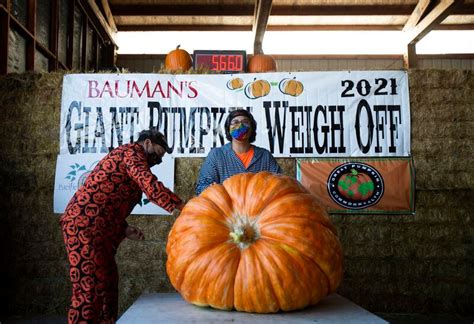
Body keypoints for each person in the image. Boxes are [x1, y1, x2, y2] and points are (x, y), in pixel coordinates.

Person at [60, 129, 184, 323]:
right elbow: (149, 185)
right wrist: (182, 206)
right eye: (158, 154)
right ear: (148, 143)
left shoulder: (132, 160)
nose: (158, 161)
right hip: (83, 225)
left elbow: (109, 200)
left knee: (108, 284)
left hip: (99, 227)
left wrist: (123, 228)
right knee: (89, 287)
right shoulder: (131, 153)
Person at [196, 109, 282, 195]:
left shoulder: (265, 156)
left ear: (252, 128)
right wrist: (210, 189)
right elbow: (202, 187)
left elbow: (280, 184)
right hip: (225, 207)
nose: (240, 125)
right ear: (228, 128)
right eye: (235, 122)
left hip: (259, 206)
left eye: (245, 122)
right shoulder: (216, 155)